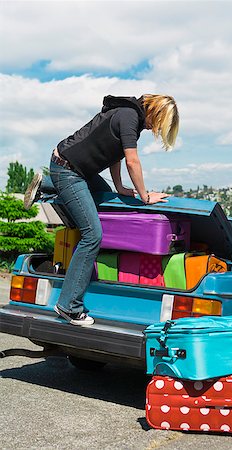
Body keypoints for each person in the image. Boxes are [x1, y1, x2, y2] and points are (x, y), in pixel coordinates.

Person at [24, 94, 179, 326]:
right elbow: (132, 161)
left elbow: (113, 155)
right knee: (93, 234)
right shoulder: (129, 117)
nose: (157, 129)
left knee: (108, 198)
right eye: (161, 124)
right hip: (69, 170)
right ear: (156, 113)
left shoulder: (128, 117)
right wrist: (145, 196)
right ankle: (68, 305)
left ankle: (47, 185)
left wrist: (119, 187)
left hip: (73, 167)